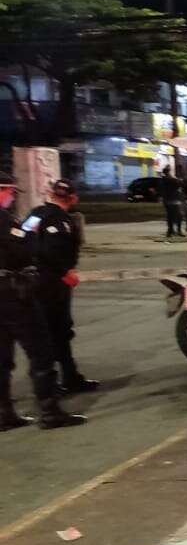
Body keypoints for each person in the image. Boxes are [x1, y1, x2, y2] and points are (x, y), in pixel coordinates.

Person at [3, 176, 85, 428]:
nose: (12, 196)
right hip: (15, 290)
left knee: (2, 354)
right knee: (41, 349)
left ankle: (4, 414)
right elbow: (26, 248)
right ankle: (50, 411)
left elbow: (27, 235)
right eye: (10, 191)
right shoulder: (6, 219)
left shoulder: (35, 214)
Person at [21, 180, 98, 395]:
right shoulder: (62, 220)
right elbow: (51, 251)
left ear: (52, 195)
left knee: (49, 331)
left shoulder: (36, 213)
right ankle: (55, 384)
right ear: (72, 198)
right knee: (57, 332)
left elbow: (22, 239)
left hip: (33, 280)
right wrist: (66, 273)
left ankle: (68, 377)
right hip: (53, 284)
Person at [160, 167, 184, 239]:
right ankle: (176, 230)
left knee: (171, 216)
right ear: (169, 172)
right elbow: (179, 183)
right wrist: (177, 179)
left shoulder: (163, 180)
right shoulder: (169, 179)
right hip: (174, 200)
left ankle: (171, 230)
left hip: (168, 200)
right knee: (179, 215)